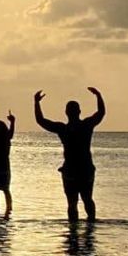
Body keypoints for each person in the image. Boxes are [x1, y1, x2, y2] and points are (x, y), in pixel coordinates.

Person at [35, 86, 106, 222]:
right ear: (79, 112)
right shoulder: (86, 125)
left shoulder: (63, 129)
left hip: (71, 170)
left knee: (72, 203)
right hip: (85, 169)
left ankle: (73, 232)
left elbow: (41, 121)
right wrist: (98, 95)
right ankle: (91, 225)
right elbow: (101, 113)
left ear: (66, 112)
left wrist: (36, 103)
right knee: (87, 199)